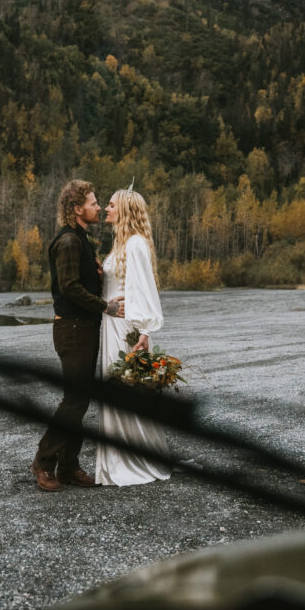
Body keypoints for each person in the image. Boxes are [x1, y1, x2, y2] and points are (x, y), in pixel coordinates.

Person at [31, 179, 125, 492]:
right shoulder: (69, 241)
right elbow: (69, 287)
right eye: (93, 203)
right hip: (72, 328)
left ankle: (69, 467)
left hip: (82, 327)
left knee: (80, 399)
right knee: (74, 400)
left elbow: (78, 280)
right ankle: (44, 462)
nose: (98, 207)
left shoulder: (80, 239)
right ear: (77, 209)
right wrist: (105, 307)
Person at [95, 186, 172, 486]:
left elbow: (145, 290)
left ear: (124, 210)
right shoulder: (120, 244)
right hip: (110, 323)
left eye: (112, 205)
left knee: (125, 390)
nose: (106, 209)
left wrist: (144, 332)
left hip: (125, 328)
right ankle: (118, 459)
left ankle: (135, 459)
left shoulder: (136, 244)